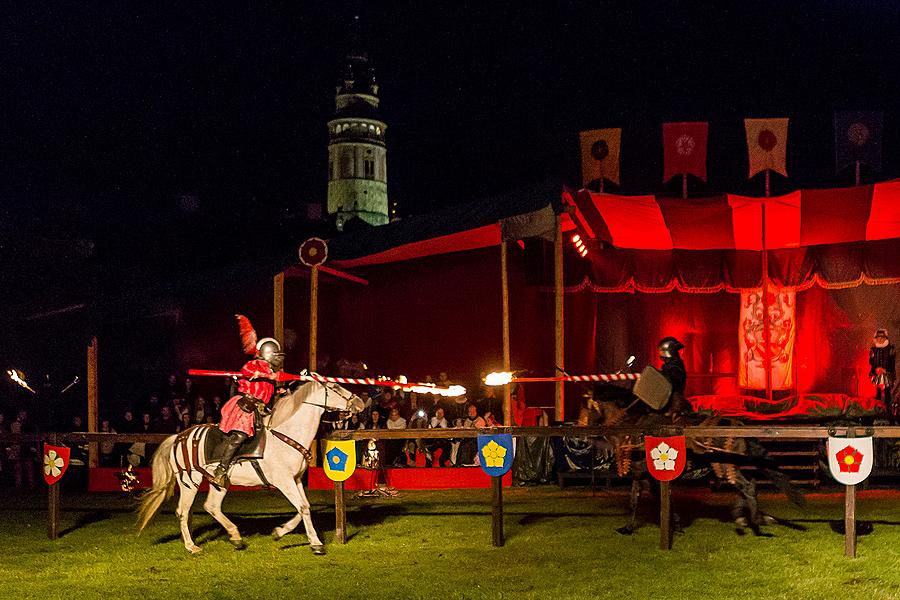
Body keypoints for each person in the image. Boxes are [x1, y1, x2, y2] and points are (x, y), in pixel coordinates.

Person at [211, 331, 284, 487]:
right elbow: (246, 371)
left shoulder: (271, 372)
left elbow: (266, 392)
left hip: (261, 409)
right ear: (268, 353)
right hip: (246, 406)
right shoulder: (254, 365)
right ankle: (221, 470)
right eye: (276, 355)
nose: (279, 358)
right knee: (240, 435)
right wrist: (261, 373)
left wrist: (279, 390)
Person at [869, 329, 897, 423]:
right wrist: (875, 370)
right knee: (877, 393)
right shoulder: (873, 350)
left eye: (882, 337)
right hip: (877, 374)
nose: (880, 339)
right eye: (878, 338)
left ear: (885, 338)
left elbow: (892, 363)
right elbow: (872, 363)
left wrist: (886, 370)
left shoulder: (890, 349)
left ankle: (888, 411)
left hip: (886, 374)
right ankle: (877, 410)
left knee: (887, 393)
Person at [658, 336, 688, 415]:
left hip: (674, 400)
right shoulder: (671, 366)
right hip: (668, 399)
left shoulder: (675, 367)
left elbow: (674, 384)